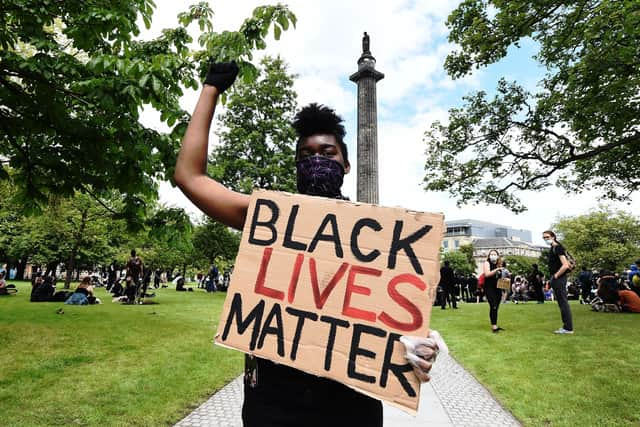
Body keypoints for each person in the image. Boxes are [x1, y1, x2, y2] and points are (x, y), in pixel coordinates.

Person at [173, 61, 443, 427]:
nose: (317, 160)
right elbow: (189, 176)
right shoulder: (270, 217)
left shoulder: (378, 235)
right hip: (273, 400)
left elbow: (393, 308)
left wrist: (412, 345)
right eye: (306, 155)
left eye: (328, 153)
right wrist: (211, 89)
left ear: (346, 164)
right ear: (296, 164)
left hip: (349, 405)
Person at [543, 230, 574, 334]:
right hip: (557, 277)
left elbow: (565, 265)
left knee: (563, 302)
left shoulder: (557, 248)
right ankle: (567, 327)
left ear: (553, 236)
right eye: (544, 238)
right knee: (562, 302)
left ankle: (568, 328)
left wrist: (556, 275)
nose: (546, 239)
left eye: (547, 237)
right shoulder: (554, 248)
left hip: (559, 277)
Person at [483, 250, 504, 333]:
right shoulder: (487, 263)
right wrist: (497, 269)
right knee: (493, 305)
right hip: (489, 287)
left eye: (495, 254)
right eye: (491, 254)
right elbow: (487, 274)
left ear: (498, 256)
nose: (493, 255)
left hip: (498, 287)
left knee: (496, 307)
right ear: (489, 256)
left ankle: (495, 323)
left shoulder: (499, 264)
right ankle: (494, 326)